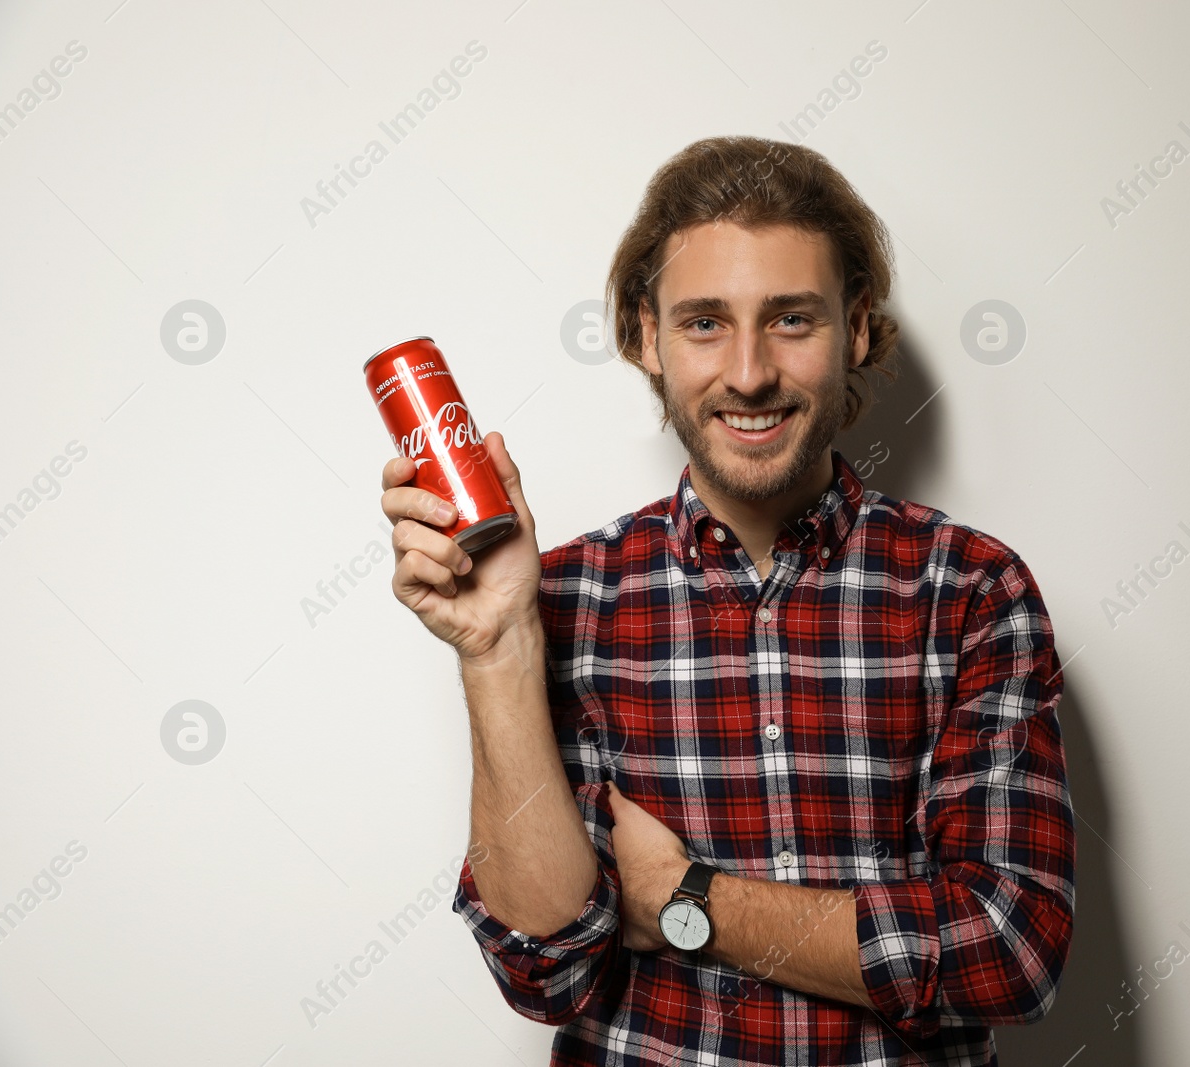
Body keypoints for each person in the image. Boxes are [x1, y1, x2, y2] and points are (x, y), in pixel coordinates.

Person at [378, 135, 1075, 1066]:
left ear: (858, 326)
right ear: (643, 335)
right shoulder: (569, 597)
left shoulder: (970, 590)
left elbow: (1009, 950)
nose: (748, 373)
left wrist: (683, 897)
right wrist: (499, 646)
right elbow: (546, 969)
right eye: (705, 322)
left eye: (792, 319)